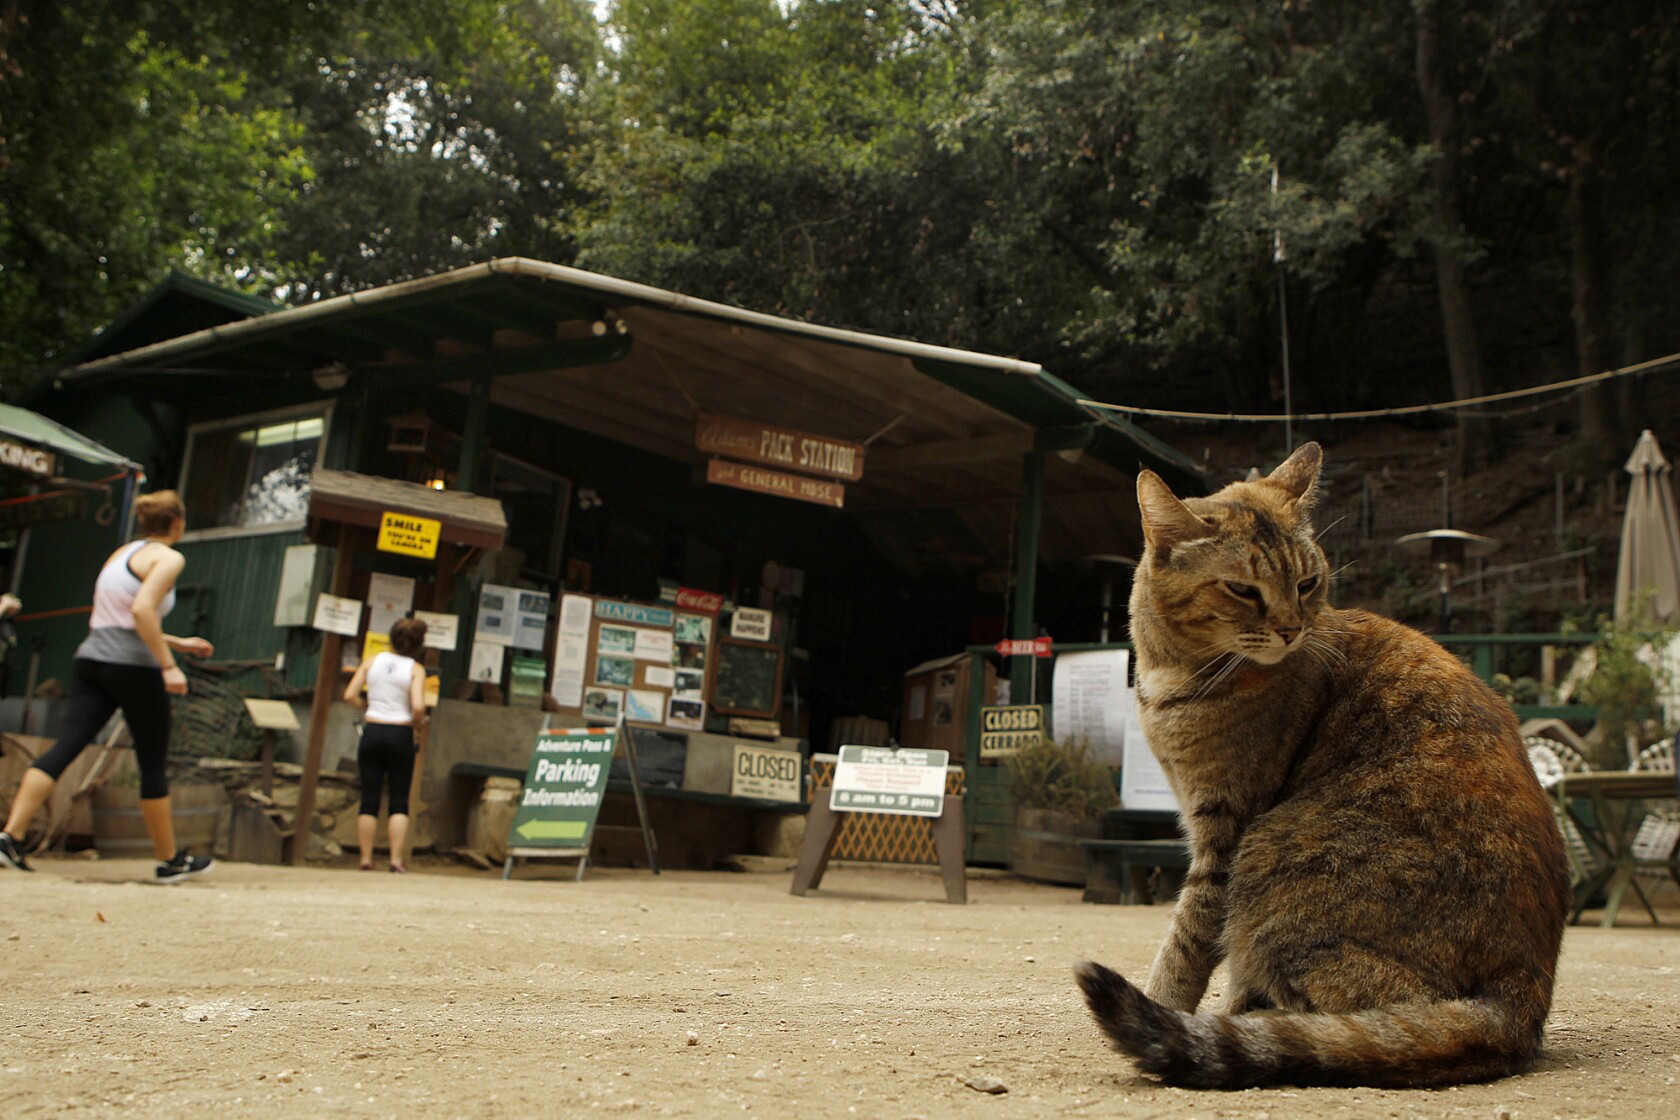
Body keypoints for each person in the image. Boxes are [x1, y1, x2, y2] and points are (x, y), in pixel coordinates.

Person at [0, 491, 216, 880]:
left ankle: (10, 836)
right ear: (178, 523)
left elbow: (118, 617)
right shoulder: (169, 558)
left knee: (66, 745)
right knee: (152, 761)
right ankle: (169, 860)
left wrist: (176, 643)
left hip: (91, 660)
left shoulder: (121, 555)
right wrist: (169, 666)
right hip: (132, 667)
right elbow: (141, 610)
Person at [343, 616, 427, 873]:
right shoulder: (415, 669)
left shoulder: (372, 662)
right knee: (399, 799)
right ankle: (395, 859)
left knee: (369, 797)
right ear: (419, 644)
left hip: (373, 729)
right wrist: (418, 723)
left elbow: (349, 694)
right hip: (400, 733)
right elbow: (418, 705)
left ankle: (366, 858)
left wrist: (367, 706)